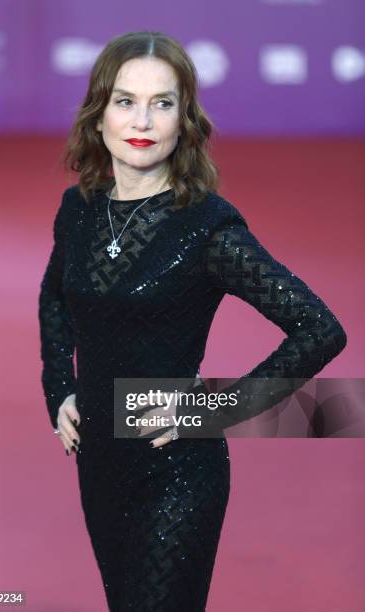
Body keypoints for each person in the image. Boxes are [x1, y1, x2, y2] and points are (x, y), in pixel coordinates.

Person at [38, 31, 347, 612]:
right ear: (98, 114)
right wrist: (59, 387)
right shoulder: (76, 210)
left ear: (185, 119)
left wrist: (216, 409)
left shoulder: (207, 230)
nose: (143, 120)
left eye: (163, 103)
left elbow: (320, 329)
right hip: (100, 460)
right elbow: (55, 298)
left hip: (177, 469)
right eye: (125, 101)